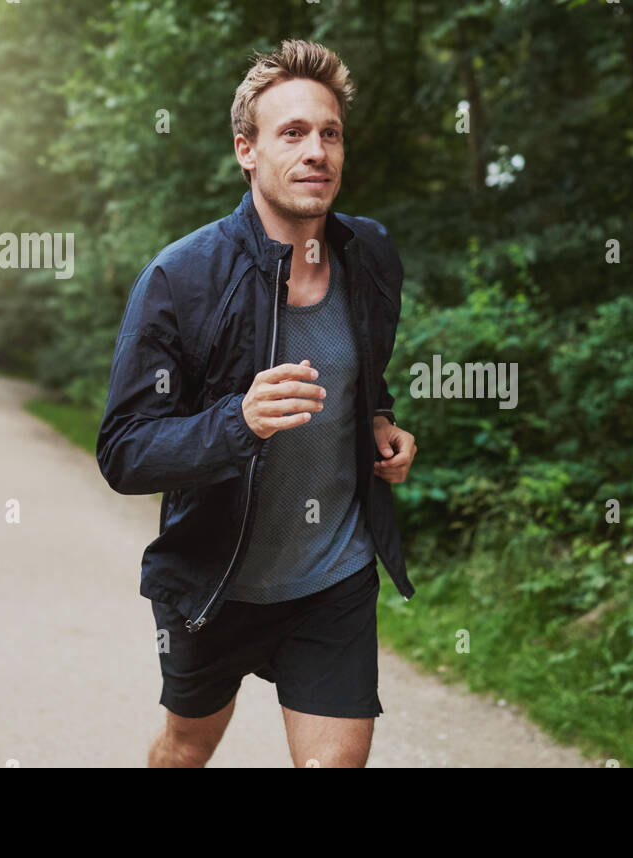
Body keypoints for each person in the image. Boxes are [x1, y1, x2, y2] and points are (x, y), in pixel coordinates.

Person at [96, 39, 418, 768]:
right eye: (293, 133)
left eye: (329, 133)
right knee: (185, 747)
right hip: (215, 580)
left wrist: (379, 421)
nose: (317, 152)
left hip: (331, 575)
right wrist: (235, 422)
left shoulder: (371, 254)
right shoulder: (180, 278)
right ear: (247, 150)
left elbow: (367, 368)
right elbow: (124, 452)